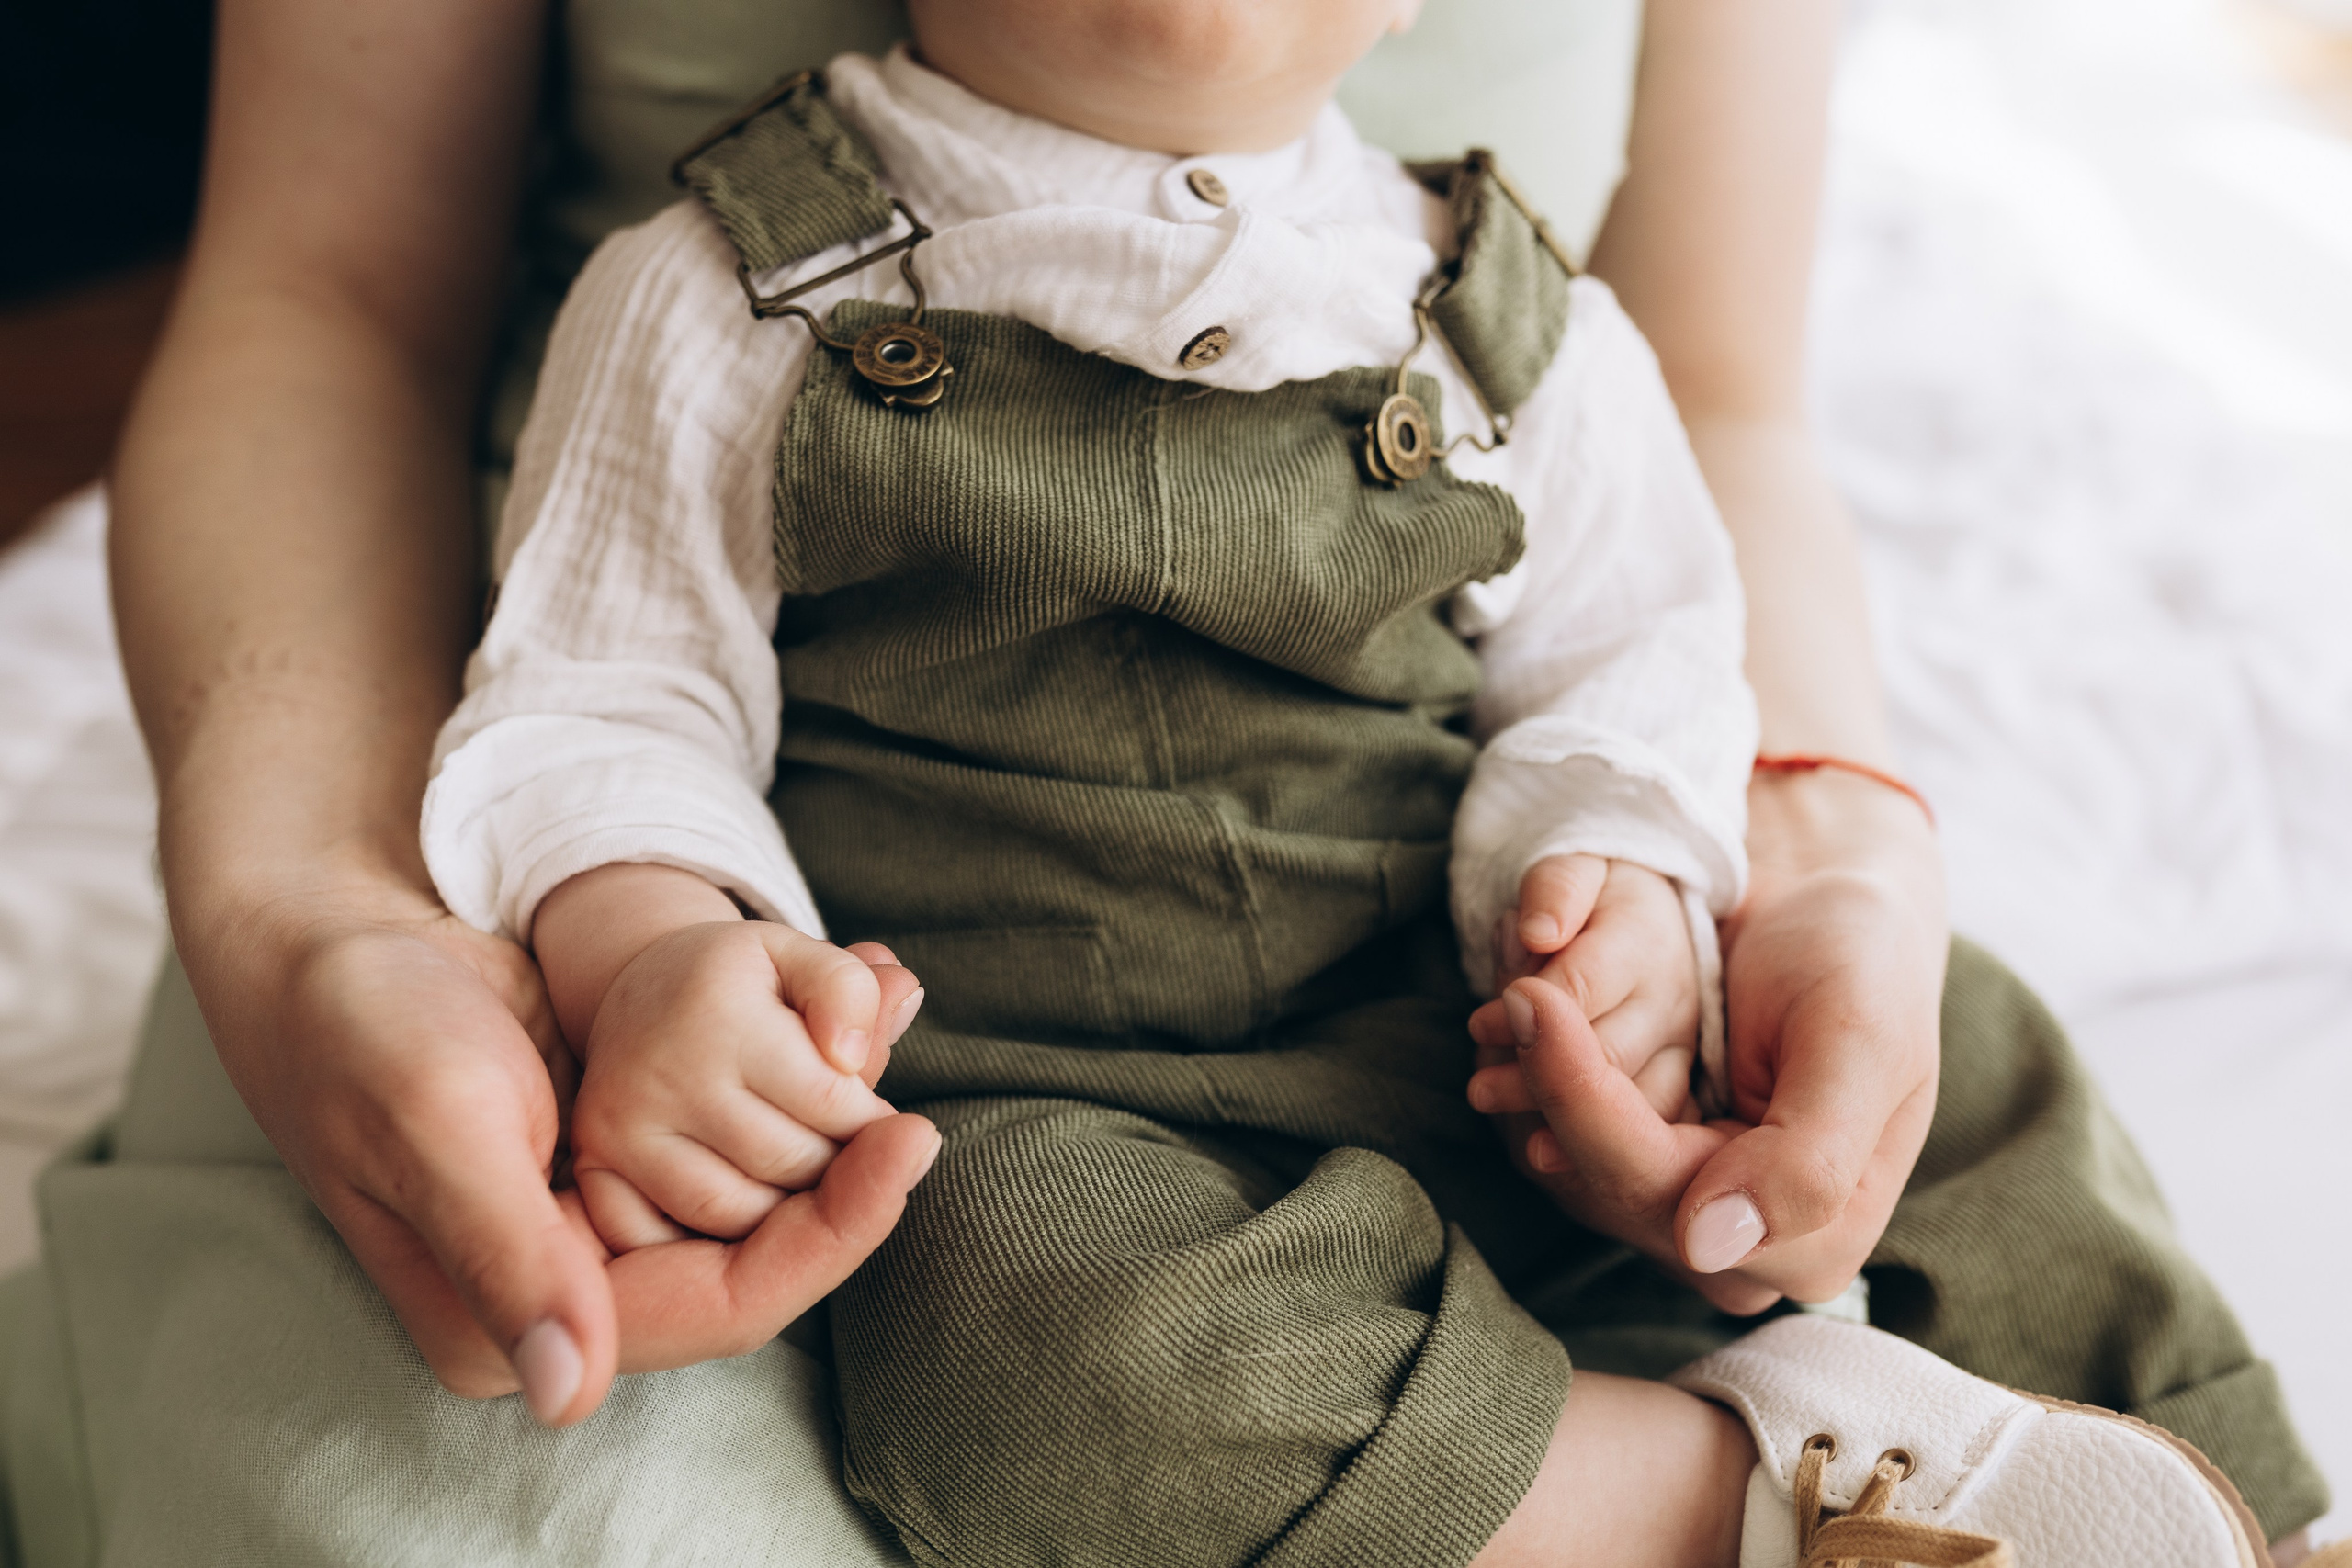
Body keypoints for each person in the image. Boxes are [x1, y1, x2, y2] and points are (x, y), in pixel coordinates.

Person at [0, 0, 2322, 1564]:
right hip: (1023, 1074)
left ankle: (2218, 1492)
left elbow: (1640, 627)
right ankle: (1698, 1501)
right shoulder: (743, 281)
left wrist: (1646, 880)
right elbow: (602, 691)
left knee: (1980, 1060)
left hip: (1476, 1017)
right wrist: (639, 940)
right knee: (1013, 1309)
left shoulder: (1504, 311)